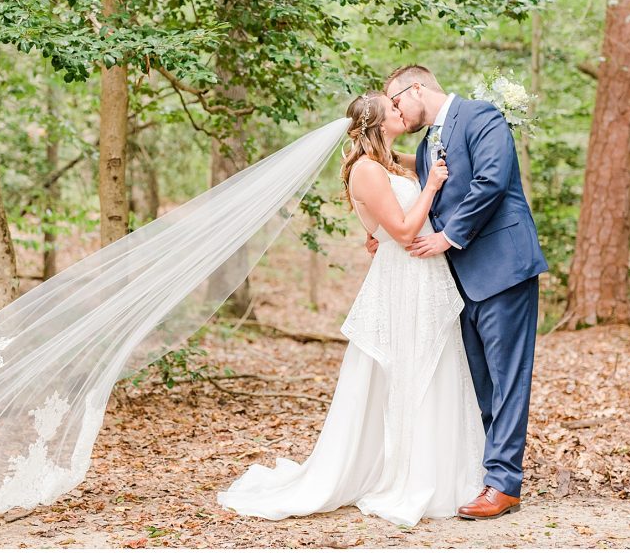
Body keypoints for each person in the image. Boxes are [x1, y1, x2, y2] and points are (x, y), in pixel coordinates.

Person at [216, 93, 486, 527]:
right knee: (405, 370)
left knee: (435, 365)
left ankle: (445, 471)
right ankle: (404, 474)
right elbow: (399, 230)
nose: (401, 111)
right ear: (377, 124)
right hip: (403, 276)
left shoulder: (393, 161)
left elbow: (431, 177)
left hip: (424, 274)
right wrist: (431, 186)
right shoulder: (365, 170)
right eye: (393, 110)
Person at [376, 64, 548, 519]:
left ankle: (504, 483)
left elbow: (490, 181)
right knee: (479, 381)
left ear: (416, 88)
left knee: (508, 378)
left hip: (502, 267)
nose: (395, 111)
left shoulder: (480, 115)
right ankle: (487, 471)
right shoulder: (425, 143)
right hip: (457, 279)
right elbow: (422, 191)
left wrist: (447, 237)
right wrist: (382, 225)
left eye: (395, 101)